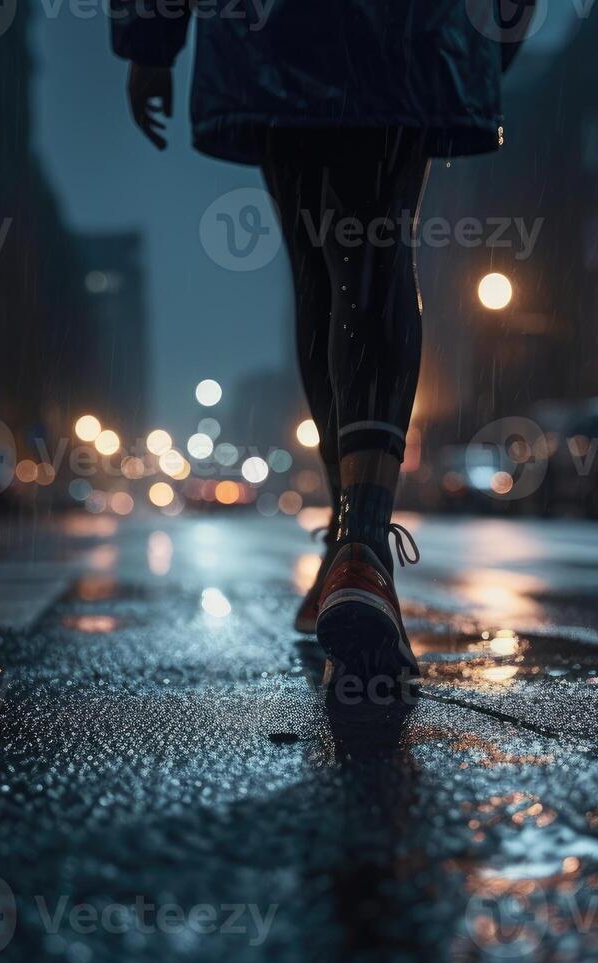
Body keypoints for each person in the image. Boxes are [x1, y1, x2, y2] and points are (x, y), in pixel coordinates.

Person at [112, 1, 517, 682]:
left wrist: (149, 42)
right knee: (372, 243)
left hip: (272, 32)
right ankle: (359, 543)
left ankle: (349, 544)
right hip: (409, 30)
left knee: (321, 267)